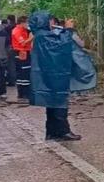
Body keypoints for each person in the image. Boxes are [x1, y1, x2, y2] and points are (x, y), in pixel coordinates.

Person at [29, 12, 81, 141]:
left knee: (51, 102)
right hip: (55, 75)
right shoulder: (44, 36)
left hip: (49, 74)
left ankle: (52, 131)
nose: (53, 23)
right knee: (59, 101)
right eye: (50, 20)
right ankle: (63, 131)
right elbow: (62, 44)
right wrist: (69, 29)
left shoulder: (41, 35)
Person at [11, 15, 33, 103]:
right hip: (21, 53)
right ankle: (23, 95)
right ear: (22, 22)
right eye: (27, 22)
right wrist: (31, 37)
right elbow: (23, 43)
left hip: (24, 53)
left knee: (23, 74)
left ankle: (22, 94)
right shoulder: (17, 31)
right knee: (24, 74)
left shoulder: (24, 30)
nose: (28, 24)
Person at [4, 15, 16, 87]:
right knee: (14, 64)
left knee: (10, 64)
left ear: (8, 20)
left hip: (10, 47)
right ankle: (15, 79)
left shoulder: (7, 28)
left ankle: (11, 81)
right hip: (17, 47)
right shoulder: (16, 27)